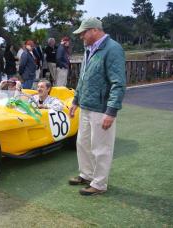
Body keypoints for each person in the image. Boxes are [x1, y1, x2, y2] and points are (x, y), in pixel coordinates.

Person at [69, 17, 126, 196]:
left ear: (94, 30)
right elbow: (83, 78)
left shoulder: (113, 49)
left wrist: (111, 111)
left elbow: (118, 83)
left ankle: (99, 184)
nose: (81, 37)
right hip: (86, 105)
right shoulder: (89, 49)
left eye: (83, 33)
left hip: (101, 108)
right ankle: (86, 175)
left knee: (101, 148)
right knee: (82, 143)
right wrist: (76, 101)